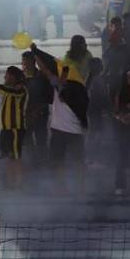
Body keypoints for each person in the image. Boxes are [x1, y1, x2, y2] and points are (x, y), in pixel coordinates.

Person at [34, 46, 89, 195]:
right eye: (62, 74)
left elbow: (46, 70)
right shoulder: (61, 85)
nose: (62, 77)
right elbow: (45, 70)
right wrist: (35, 52)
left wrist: (35, 52)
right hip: (60, 130)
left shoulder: (76, 90)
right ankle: (62, 187)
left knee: (78, 161)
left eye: (65, 74)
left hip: (74, 131)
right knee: (59, 161)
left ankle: (81, 188)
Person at [20, 52, 52, 166]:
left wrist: (38, 110)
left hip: (40, 112)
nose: (24, 65)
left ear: (33, 62)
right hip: (25, 113)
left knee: (41, 138)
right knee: (27, 139)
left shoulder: (42, 77)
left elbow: (49, 97)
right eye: (23, 62)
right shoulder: (20, 78)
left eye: (26, 62)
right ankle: (33, 161)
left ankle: (43, 162)